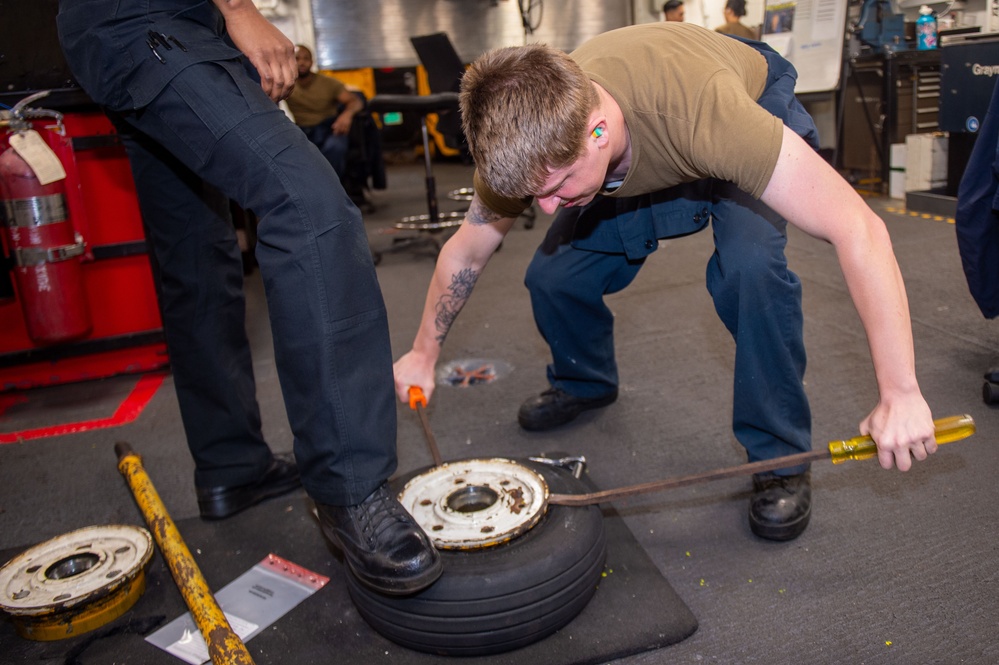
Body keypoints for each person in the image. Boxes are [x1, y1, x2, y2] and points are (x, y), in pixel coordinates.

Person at [393, 22, 937, 542]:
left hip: (729, 105)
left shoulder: (709, 115)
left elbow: (860, 230)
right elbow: (467, 249)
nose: (544, 207)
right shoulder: (529, 143)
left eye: (557, 187)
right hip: (636, 157)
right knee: (553, 275)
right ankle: (586, 382)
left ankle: (779, 460)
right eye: (535, 194)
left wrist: (901, 392)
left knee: (751, 274)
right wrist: (422, 352)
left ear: (595, 131)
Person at [56, 0, 441, 595]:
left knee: (198, 261)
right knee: (309, 207)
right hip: (155, 24)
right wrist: (238, 7)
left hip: (113, 35)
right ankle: (350, 488)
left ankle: (231, 465)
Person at [285, 44, 363, 180]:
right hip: (302, 132)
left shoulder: (329, 83)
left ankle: (334, 192)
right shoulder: (285, 85)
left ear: (312, 62)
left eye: (306, 58)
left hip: (330, 130)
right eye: (297, 58)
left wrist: (346, 115)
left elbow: (355, 101)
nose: (302, 62)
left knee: (335, 148)